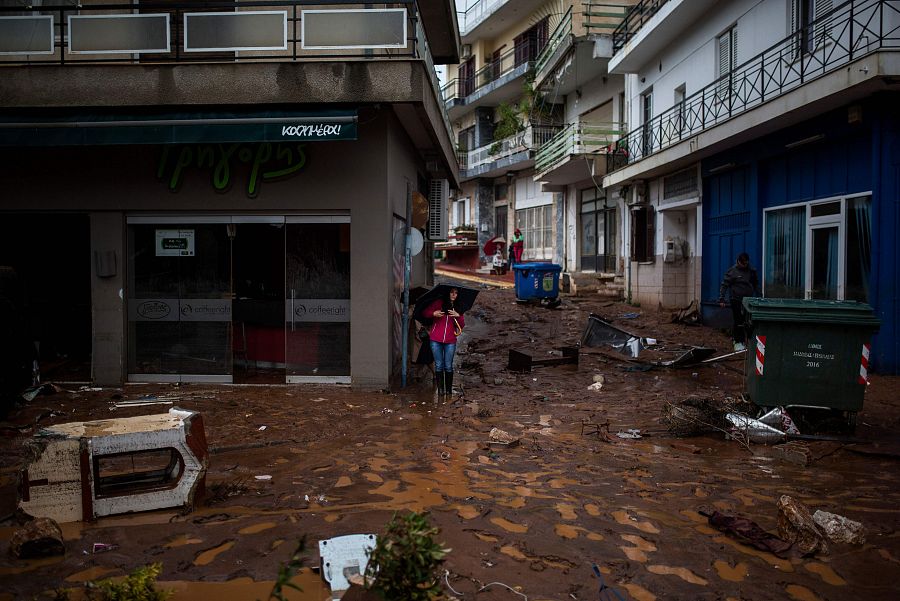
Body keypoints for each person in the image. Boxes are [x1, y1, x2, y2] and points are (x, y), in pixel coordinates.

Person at [423, 287, 465, 397]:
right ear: (448, 293)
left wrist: (458, 316)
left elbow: (461, 325)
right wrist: (434, 313)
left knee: (448, 366)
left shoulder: (458, 307)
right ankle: (441, 391)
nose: (454, 295)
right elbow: (426, 313)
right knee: (439, 365)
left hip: (450, 341)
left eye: (456, 293)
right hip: (435, 340)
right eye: (452, 292)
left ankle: (449, 391)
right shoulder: (439, 303)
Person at [719, 252, 760, 351]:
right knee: (738, 320)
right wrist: (721, 298)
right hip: (736, 299)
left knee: (747, 321)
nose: (744, 266)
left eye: (746, 264)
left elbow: (755, 284)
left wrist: (759, 296)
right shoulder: (732, 271)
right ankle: (738, 341)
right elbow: (724, 285)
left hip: (748, 300)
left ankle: (747, 340)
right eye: (742, 264)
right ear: (738, 262)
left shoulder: (751, 271)